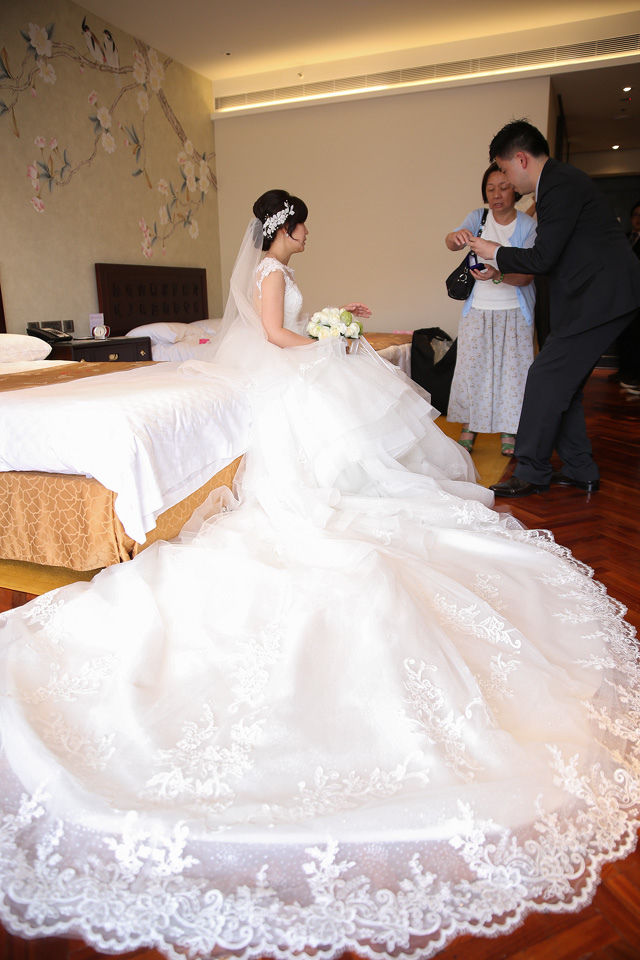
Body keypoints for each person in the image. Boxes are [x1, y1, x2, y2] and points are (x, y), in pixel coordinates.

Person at [0, 190, 639, 960]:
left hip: (285, 369)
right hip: (281, 375)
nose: (307, 234)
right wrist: (331, 342)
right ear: (286, 229)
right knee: (341, 429)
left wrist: (336, 326)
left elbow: (282, 330)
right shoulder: (270, 273)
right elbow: (274, 335)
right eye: (303, 225)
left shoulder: (277, 270)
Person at [469, 119, 640, 497]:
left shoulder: (559, 184)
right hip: (598, 296)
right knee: (564, 385)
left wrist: (494, 250)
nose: (506, 181)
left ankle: (531, 470)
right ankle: (580, 468)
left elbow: (543, 258)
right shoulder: (559, 182)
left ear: (521, 159)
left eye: (505, 170)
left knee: (545, 377)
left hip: (602, 296)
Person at [446, 163, 536, 457]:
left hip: (514, 311)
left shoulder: (528, 225)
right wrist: (456, 237)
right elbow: (451, 243)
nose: (497, 195)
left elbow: (527, 276)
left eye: (504, 187)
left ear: (515, 190)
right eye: (490, 189)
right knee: (472, 371)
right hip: (478, 310)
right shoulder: (478, 217)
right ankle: (469, 427)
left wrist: (497, 274)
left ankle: (510, 429)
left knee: (514, 374)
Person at [614, 199, 640, 393]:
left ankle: (636, 376)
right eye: (636, 215)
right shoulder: (624, 238)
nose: (638, 219)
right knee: (624, 336)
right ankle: (624, 371)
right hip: (623, 296)